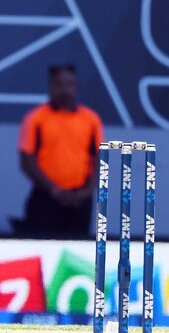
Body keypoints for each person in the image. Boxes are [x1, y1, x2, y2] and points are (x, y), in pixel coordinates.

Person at [13, 64, 104, 237]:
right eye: (59, 84)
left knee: (77, 253)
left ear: (76, 87)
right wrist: (55, 191)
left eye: (69, 84)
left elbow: (99, 159)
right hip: (46, 198)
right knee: (43, 250)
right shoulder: (35, 119)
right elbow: (27, 162)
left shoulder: (91, 119)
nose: (65, 90)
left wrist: (87, 191)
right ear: (51, 86)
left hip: (80, 200)